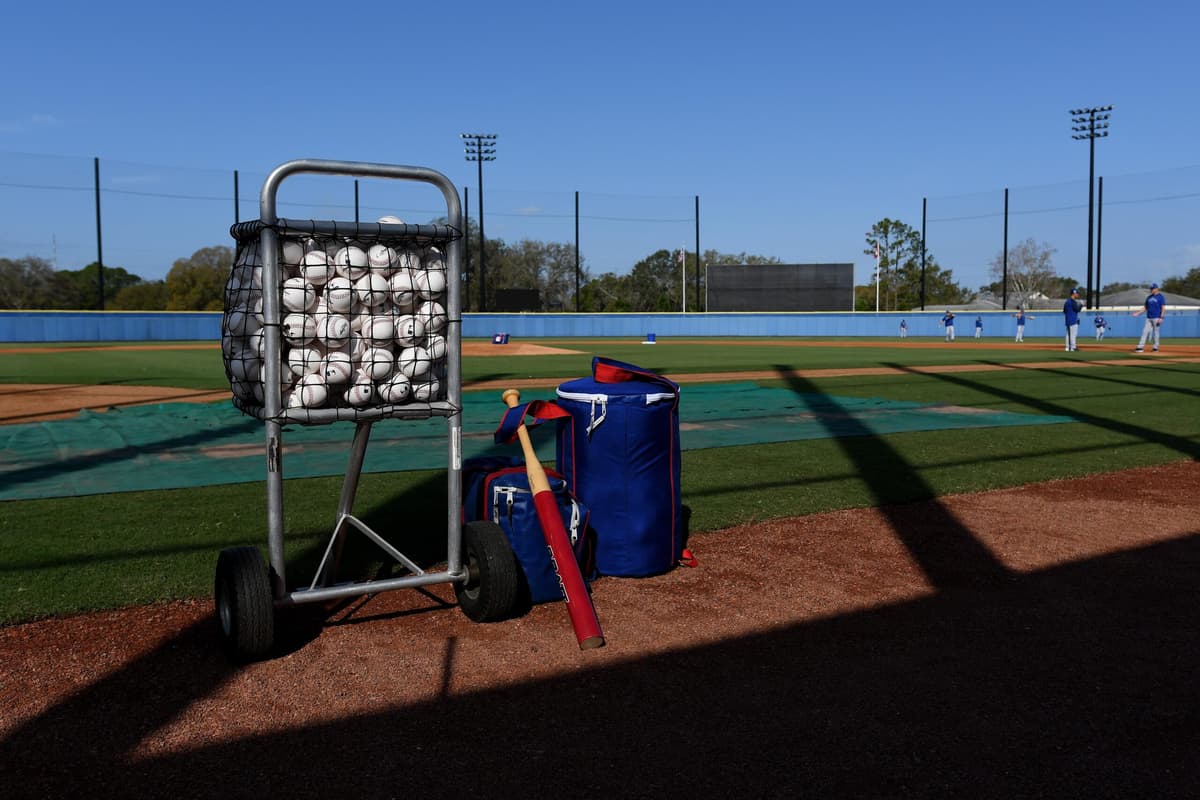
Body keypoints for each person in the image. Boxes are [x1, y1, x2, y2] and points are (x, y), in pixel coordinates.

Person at [1132, 283, 1166, 353]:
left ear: (1156, 289)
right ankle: (1140, 347)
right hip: (1149, 318)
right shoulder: (1149, 297)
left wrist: (1161, 317)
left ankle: (1155, 348)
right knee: (1144, 332)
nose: (1151, 290)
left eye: (1153, 289)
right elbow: (1145, 307)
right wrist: (1138, 313)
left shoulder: (1160, 297)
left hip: (1156, 317)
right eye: (1151, 289)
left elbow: (1163, 308)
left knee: (1156, 333)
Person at [1063, 287, 1083, 352]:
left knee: (1068, 334)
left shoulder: (1067, 302)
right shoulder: (1073, 302)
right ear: (1073, 294)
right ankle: (1073, 347)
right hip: (1073, 320)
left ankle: (1067, 347)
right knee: (1073, 334)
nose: (1077, 294)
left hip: (1068, 319)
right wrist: (1081, 305)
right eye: (1076, 293)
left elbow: (1064, 311)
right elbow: (1077, 310)